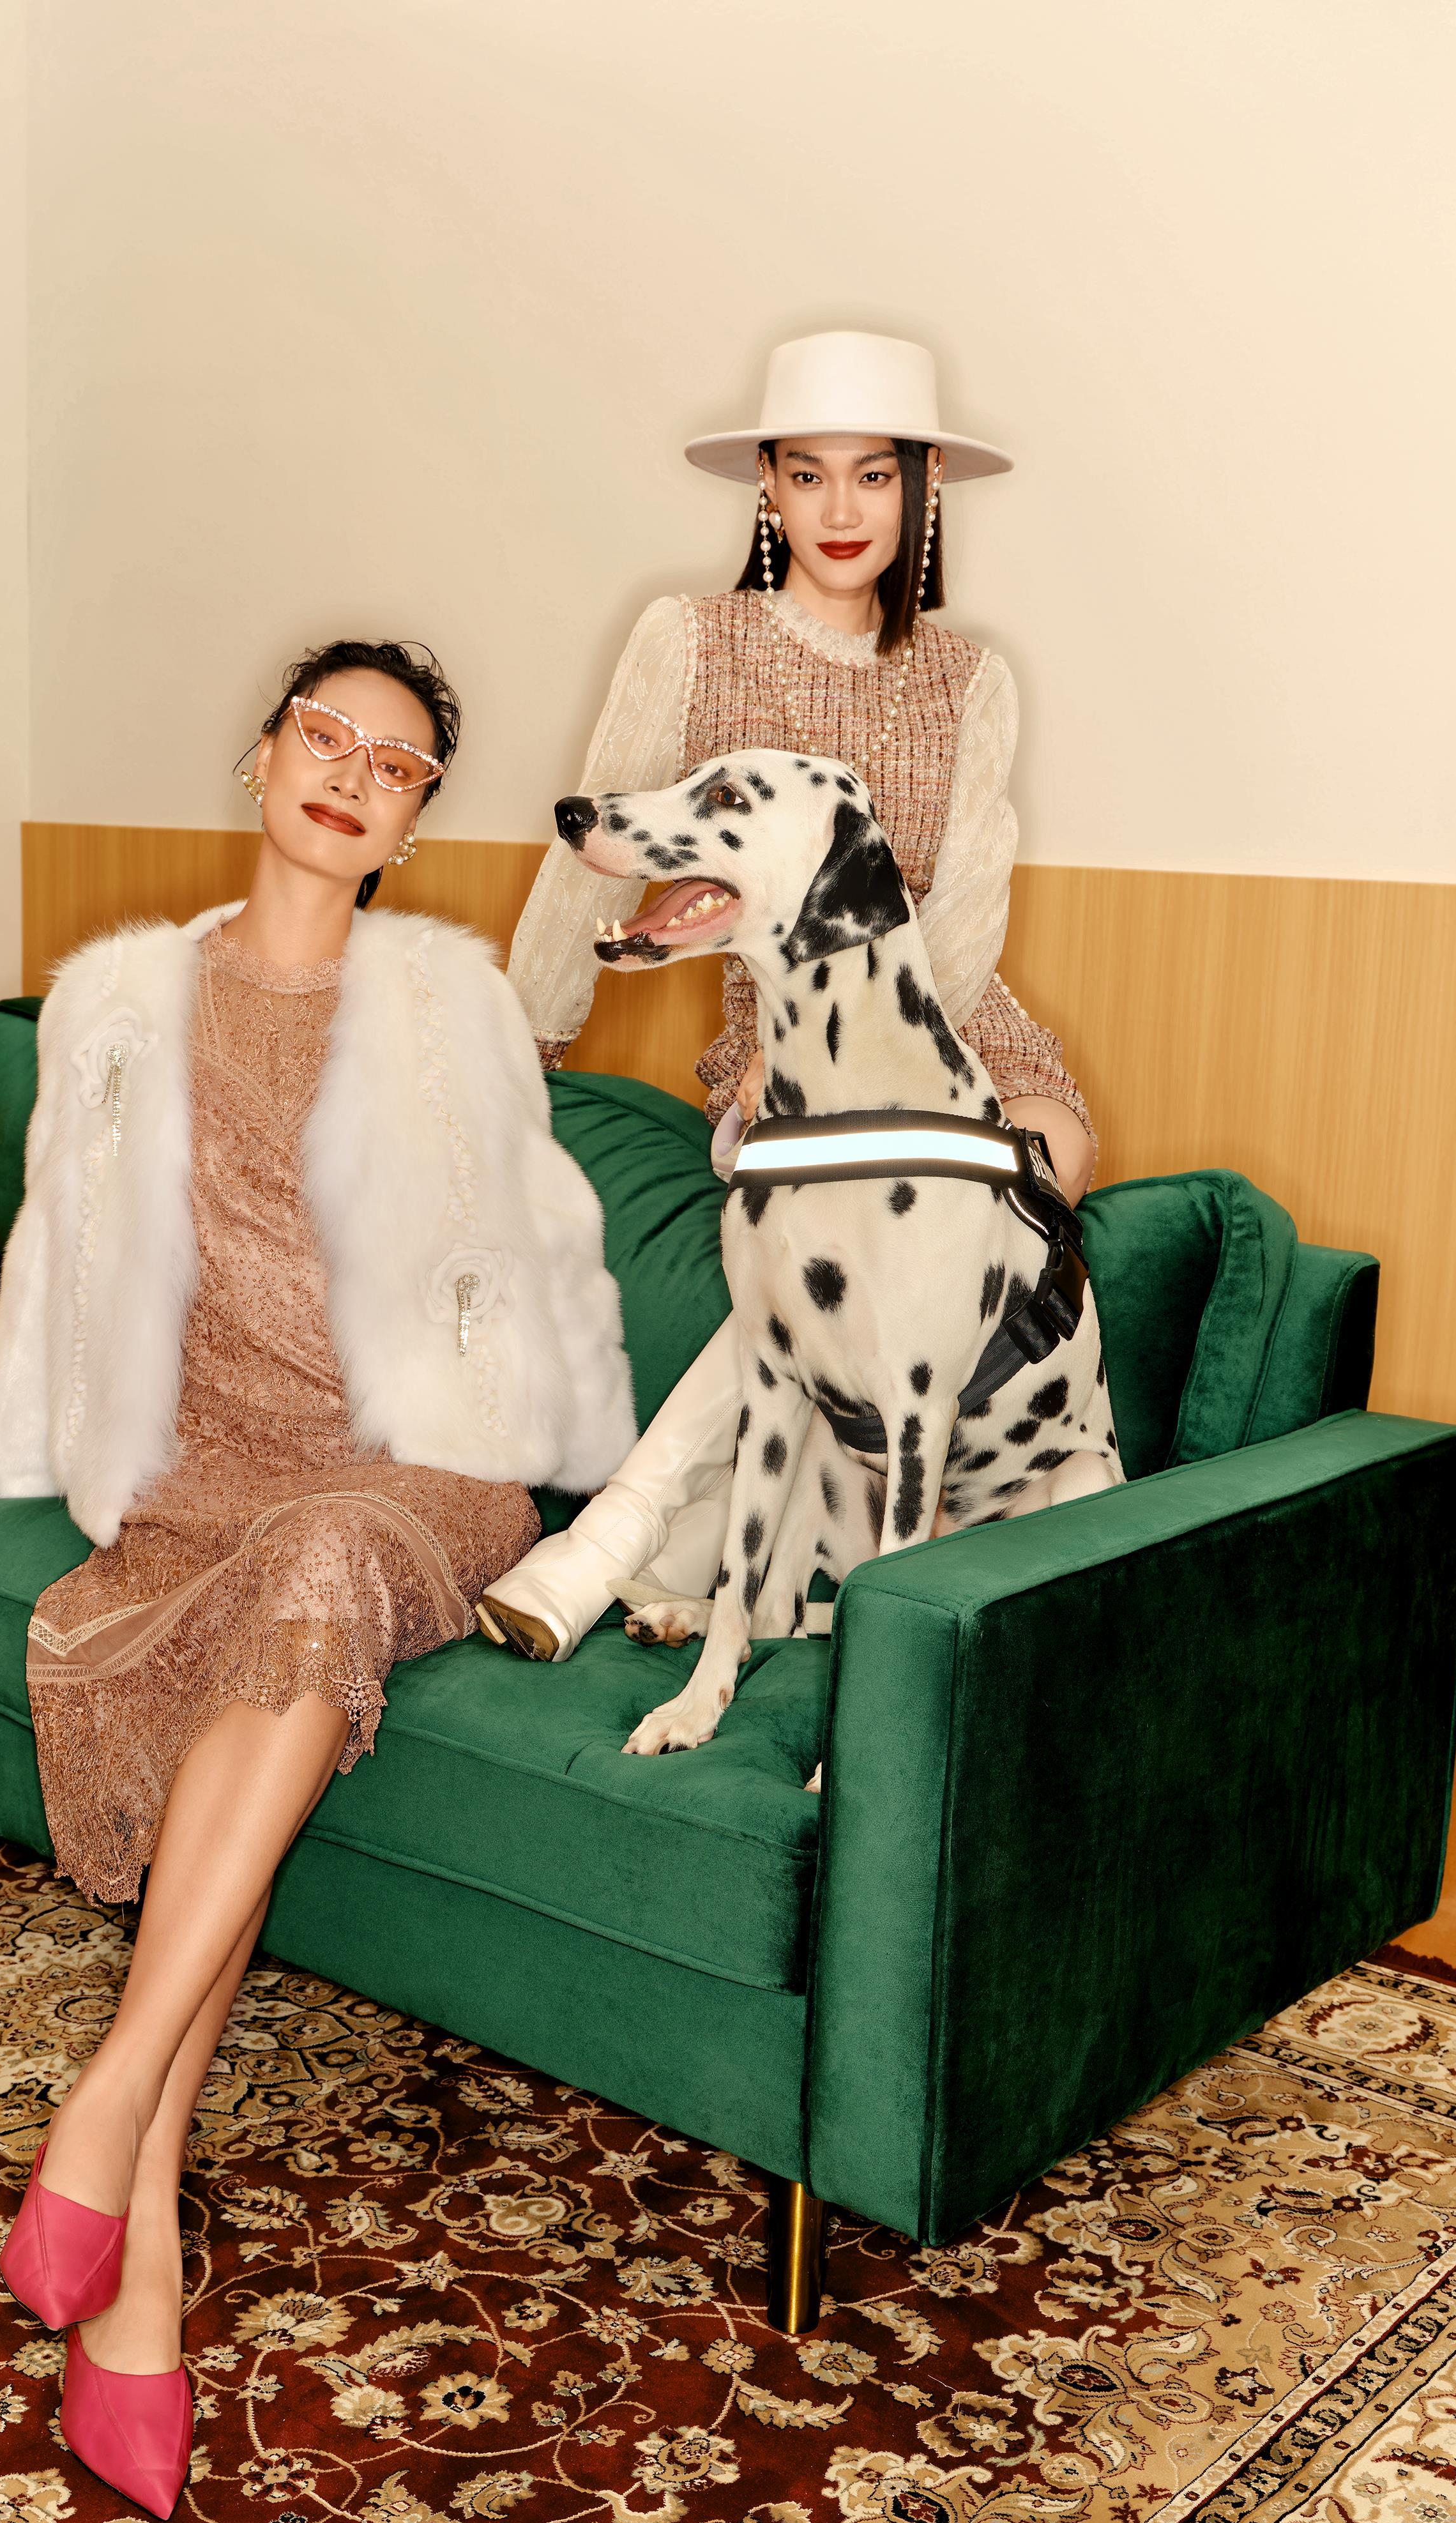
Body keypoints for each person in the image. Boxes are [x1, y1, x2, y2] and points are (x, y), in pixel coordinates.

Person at [0, 639, 634, 2522]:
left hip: (411, 1473)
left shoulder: (448, 1008)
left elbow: (522, 1263)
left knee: (321, 1561)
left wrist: (615, 1506)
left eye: (399, 763)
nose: (354, 772)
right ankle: (133, 2233)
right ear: (263, 755)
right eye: (327, 735)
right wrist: (17, 1440)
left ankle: (107, 2108)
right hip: (204, 1468)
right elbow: (68, 1243)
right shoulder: (126, 999)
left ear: (413, 822)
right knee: (259, 1642)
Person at [478, 332, 1095, 1663]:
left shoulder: (972, 680)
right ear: (766, 483)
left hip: (955, 1031)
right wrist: (523, 1048)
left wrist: (874, 1050)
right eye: (808, 474)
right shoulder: (691, 639)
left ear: (922, 486)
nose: (840, 508)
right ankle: (622, 1537)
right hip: (775, 1045)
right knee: (828, 1253)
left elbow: (966, 915)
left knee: (1036, 1173)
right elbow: (592, 865)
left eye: (874, 474)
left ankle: (841, 1563)